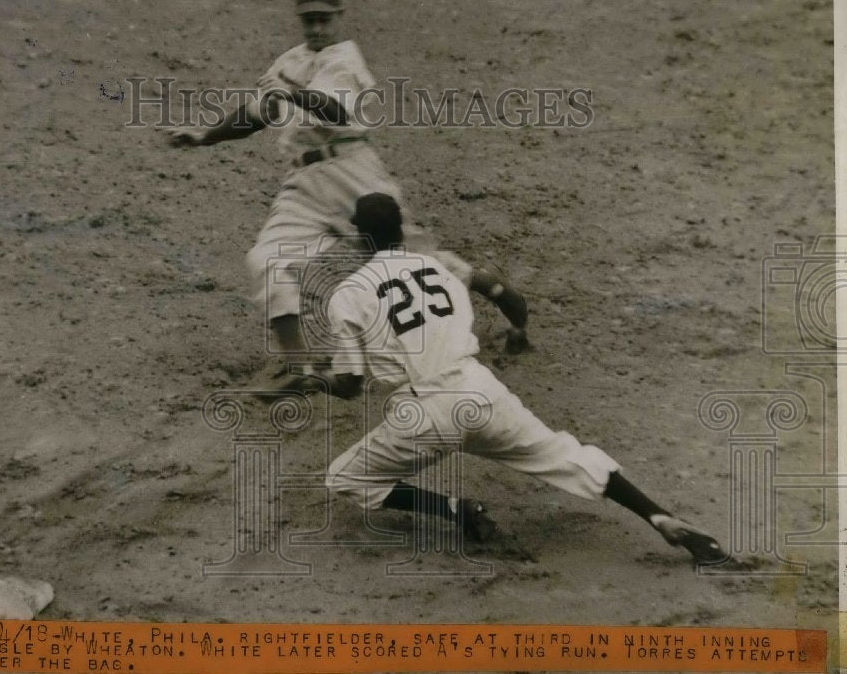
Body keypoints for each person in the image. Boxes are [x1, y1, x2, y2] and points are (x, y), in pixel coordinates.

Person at [292, 192, 728, 565]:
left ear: (359, 238)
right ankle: (659, 517)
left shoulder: (348, 294)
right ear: (401, 230)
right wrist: (519, 329)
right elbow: (506, 294)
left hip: (422, 415)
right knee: (564, 453)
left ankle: (455, 510)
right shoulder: (441, 266)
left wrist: (311, 378)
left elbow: (349, 384)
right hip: (482, 393)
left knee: (346, 478)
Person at [164, 0, 530, 373]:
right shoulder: (289, 61)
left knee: (411, 260)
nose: (317, 27)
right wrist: (205, 136)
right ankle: (298, 367)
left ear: (339, 17)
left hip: (354, 172)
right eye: (309, 20)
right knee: (266, 261)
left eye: (324, 19)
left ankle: (498, 295)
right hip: (303, 184)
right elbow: (257, 115)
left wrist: (290, 92)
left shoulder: (345, 59)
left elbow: (334, 110)